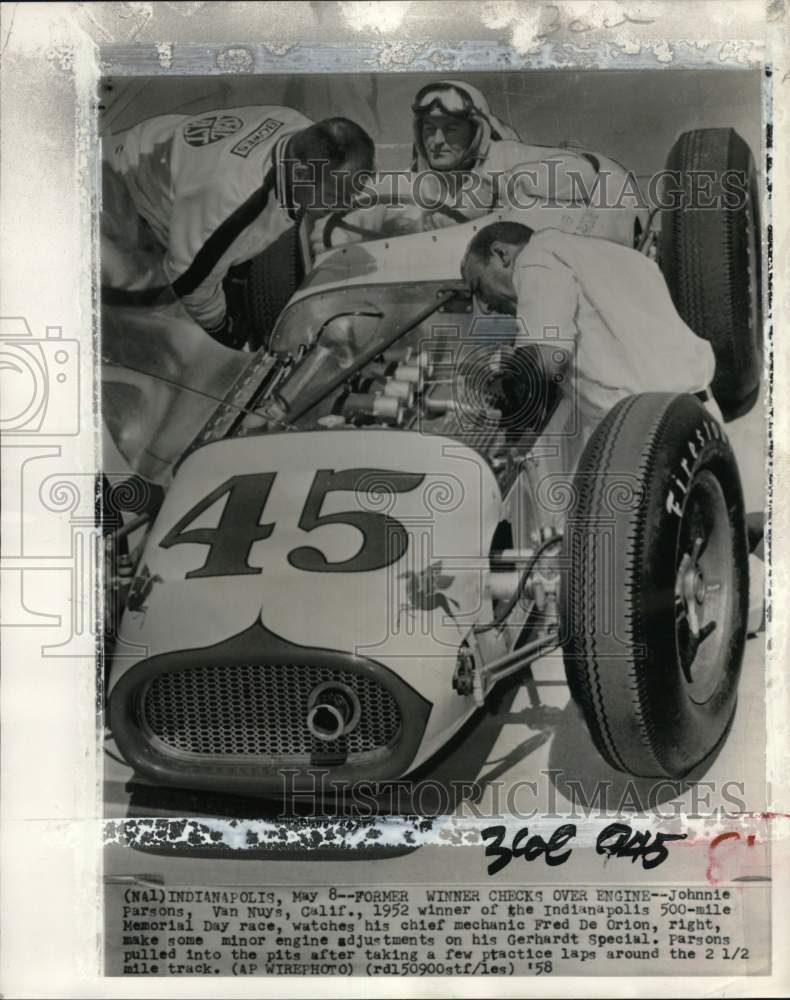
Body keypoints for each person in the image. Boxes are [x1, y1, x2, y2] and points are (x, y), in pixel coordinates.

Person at [102, 106, 375, 346]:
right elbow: (188, 285)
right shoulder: (233, 201)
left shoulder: (298, 127)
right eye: (333, 197)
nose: (342, 205)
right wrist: (227, 334)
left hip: (156, 153)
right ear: (301, 175)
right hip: (115, 194)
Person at [460, 220, 718, 467]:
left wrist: (501, 386)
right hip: (697, 416)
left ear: (501, 254)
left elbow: (546, 361)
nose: (484, 306)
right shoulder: (600, 255)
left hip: (655, 435)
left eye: (478, 287)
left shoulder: (536, 259)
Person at [317, 79, 633, 249]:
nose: (436, 140)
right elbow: (340, 228)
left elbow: (590, 172)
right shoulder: (403, 186)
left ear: (477, 132)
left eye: (451, 128)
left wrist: (505, 184)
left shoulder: (507, 158)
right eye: (429, 129)